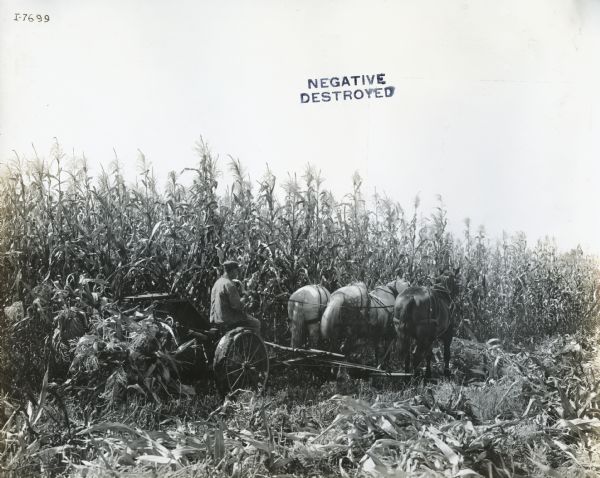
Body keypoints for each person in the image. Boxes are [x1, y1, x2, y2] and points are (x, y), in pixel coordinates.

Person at [210, 260, 261, 336]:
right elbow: (238, 306)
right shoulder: (229, 285)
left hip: (215, 319)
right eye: (237, 271)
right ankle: (247, 346)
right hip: (228, 320)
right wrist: (246, 296)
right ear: (233, 271)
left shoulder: (217, 282)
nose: (238, 273)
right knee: (256, 323)